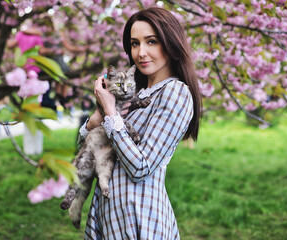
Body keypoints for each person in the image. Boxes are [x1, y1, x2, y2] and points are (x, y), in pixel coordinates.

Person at [78, 8, 202, 239]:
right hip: (109, 217)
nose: (141, 52)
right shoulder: (137, 94)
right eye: (135, 43)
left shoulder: (175, 93)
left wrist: (110, 112)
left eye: (151, 41)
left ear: (171, 44)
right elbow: (85, 154)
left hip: (140, 219)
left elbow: (140, 168)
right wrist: (96, 119)